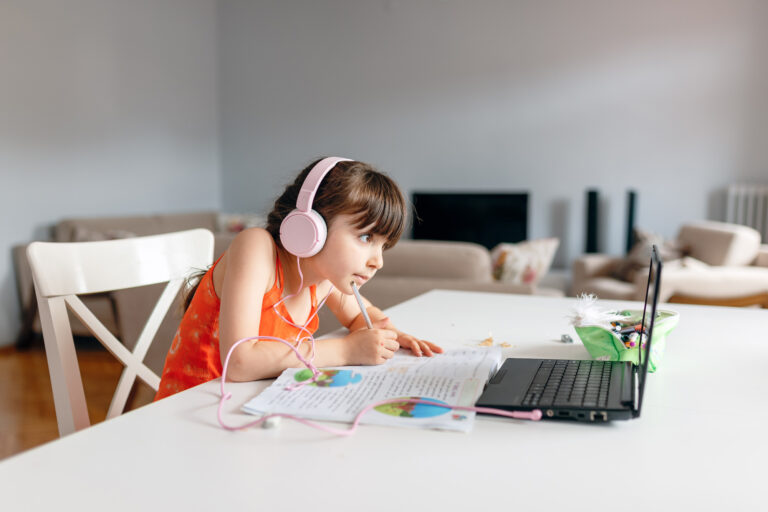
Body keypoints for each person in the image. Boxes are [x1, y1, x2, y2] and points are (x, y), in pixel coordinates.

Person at [155, 157, 443, 400]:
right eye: (366, 237)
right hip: (194, 409)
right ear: (310, 226)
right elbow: (239, 363)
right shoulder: (256, 248)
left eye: (383, 246)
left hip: (255, 403)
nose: (377, 261)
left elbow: (363, 315)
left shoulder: (324, 276)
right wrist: (346, 350)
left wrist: (388, 334)